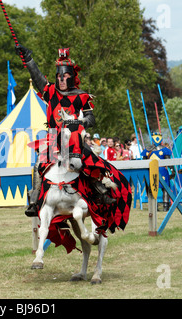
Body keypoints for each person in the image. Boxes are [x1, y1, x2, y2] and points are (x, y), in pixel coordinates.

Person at [15, 44, 115, 217]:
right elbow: (37, 76)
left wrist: (79, 121)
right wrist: (28, 58)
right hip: (54, 138)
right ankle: (34, 200)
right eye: (59, 76)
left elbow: (91, 118)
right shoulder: (49, 91)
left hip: (73, 138)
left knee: (89, 159)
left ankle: (99, 190)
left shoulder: (81, 96)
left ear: (72, 77)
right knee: (39, 164)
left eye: (65, 76)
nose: (61, 79)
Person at [141, 131, 175, 211]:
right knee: (158, 188)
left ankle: (163, 206)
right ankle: (160, 206)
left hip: (158, 170)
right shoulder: (163, 149)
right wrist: (173, 171)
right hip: (157, 170)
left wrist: (172, 170)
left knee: (163, 188)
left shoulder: (148, 150)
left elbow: (168, 162)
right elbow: (144, 163)